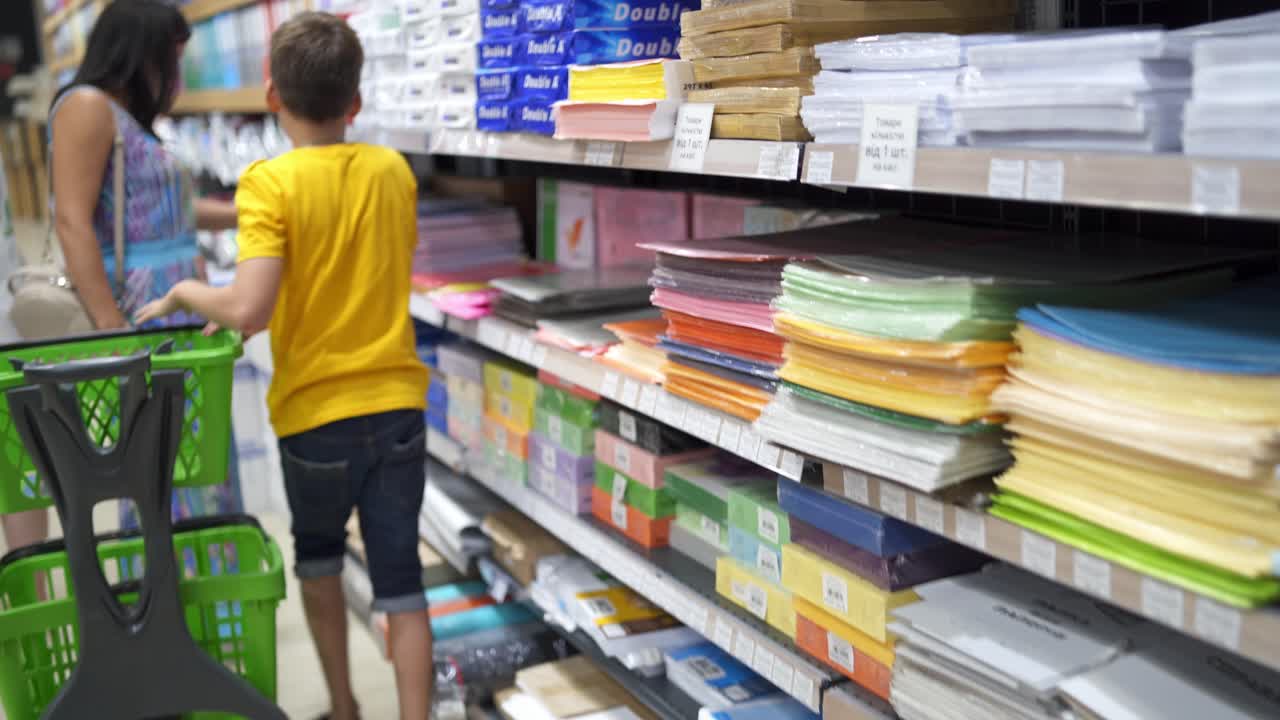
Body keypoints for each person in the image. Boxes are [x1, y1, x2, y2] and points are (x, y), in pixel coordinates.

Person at [136, 11, 432, 720]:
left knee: (321, 562)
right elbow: (347, 268)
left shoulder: (269, 183)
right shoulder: (392, 171)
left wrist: (185, 291)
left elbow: (251, 308)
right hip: (396, 407)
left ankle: (343, 706)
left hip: (315, 416)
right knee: (403, 584)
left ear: (273, 96)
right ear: (355, 102)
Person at [0, 0, 243, 552]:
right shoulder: (87, 108)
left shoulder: (122, 117)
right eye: (170, 61)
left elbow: (162, 211)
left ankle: (208, 597)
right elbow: (73, 222)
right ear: (140, 54)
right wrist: (116, 330)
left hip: (174, 313)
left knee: (189, 461)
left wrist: (247, 209)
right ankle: (181, 604)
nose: (175, 78)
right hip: (142, 315)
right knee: (165, 464)